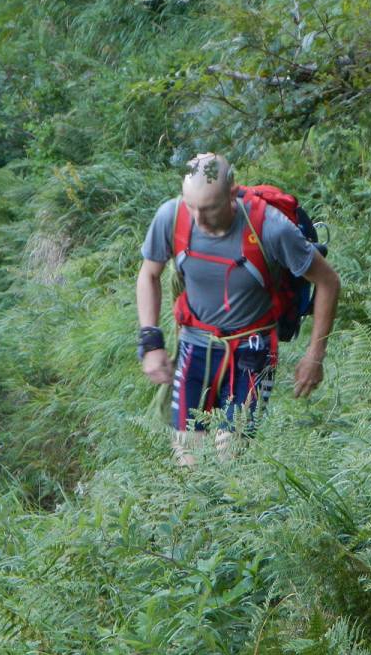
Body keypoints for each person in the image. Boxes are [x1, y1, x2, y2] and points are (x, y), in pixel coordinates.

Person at [136, 153, 341, 464]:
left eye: (209, 208)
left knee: (229, 456)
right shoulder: (172, 216)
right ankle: (202, 512)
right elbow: (148, 274)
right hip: (194, 345)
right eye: (192, 207)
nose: (199, 219)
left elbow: (328, 281)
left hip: (253, 351)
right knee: (188, 457)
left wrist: (315, 356)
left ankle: (237, 508)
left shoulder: (270, 228)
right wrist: (151, 341)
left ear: (232, 193)